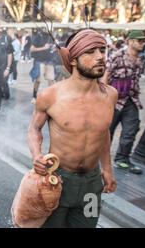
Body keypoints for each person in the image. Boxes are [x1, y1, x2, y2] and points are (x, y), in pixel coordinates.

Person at [27, 28, 117, 228]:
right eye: (91, 52)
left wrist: (108, 169)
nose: (100, 57)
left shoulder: (110, 95)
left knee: (87, 225)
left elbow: (103, 132)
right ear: (73, 60)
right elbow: (34, 129)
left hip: (92, 185)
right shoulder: (50, 95)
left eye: (102, 50)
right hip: (57, 181)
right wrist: (36, 156)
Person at [103, 30, 145, 175]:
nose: (143, 43)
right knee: (106, 132)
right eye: (139, 41)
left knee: (131, 130)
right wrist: (104, 98)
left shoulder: (141, 60)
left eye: (143, 41)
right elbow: (106, 75)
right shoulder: (117, 56)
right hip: (114, 100)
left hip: (131, 100)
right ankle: (100, 158)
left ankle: (122, 159)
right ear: (130, 41)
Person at [29, 30, 56, 103]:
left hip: (50, 61)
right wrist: (44, 48)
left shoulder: (52, 37)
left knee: (51, 80)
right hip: (39, 61)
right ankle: (34, 96)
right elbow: (31, 49)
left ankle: (51, 97)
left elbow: (53, 48)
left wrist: (54, 48)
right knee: (38, 80)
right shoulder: (39, 36)